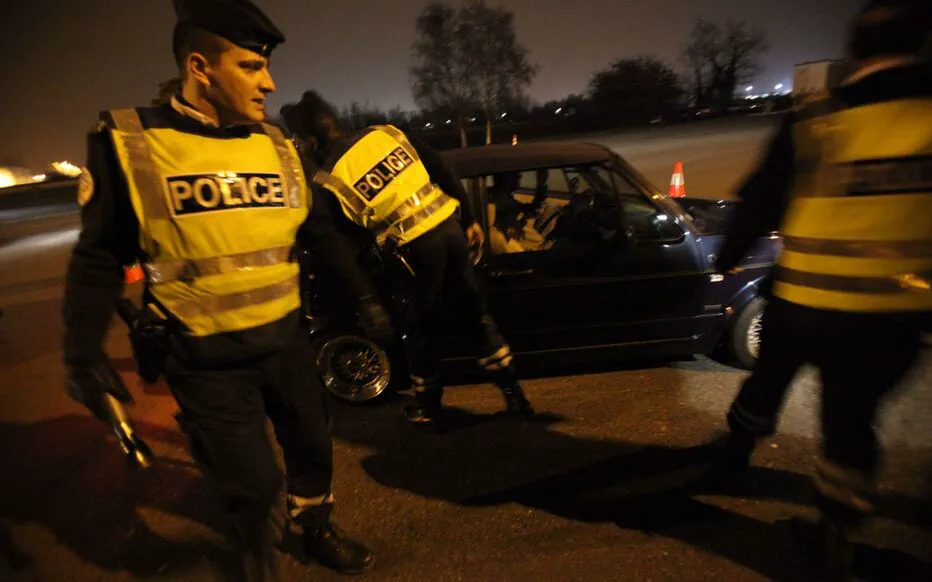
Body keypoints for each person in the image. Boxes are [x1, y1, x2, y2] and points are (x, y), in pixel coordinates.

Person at [62, 0, 391, 578]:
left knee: (313, 448)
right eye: (250, 67)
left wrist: (364, 298)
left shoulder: (276, 144)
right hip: (205, 359)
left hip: (286, 344)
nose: (270, 82)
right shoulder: (132, 144)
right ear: (200, 67)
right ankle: (257, 555)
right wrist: (82, 351)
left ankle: (314, 528)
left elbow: (319, 234)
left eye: (265, 66)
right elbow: (97, 257)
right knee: (256, 486)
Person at [711, 0, 932, 577]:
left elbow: (761, 198)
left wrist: (726, 261)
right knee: (850, 423)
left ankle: (734, 451)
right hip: (891, 313)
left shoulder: (816, 117)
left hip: (802, 301)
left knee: (765, 384)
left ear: (854, 50)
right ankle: (838, 533)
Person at [281, 91, 536, 429]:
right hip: (451, 232)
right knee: (476, 315)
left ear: (310, 140)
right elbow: (441, 166)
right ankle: (515, 396)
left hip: (415, 252)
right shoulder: (385, 134)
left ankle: (430, 408)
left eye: (298, 140)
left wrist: (368, 299)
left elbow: (342, 244)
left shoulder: (328, 177)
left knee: (419, 329)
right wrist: (470, 217)